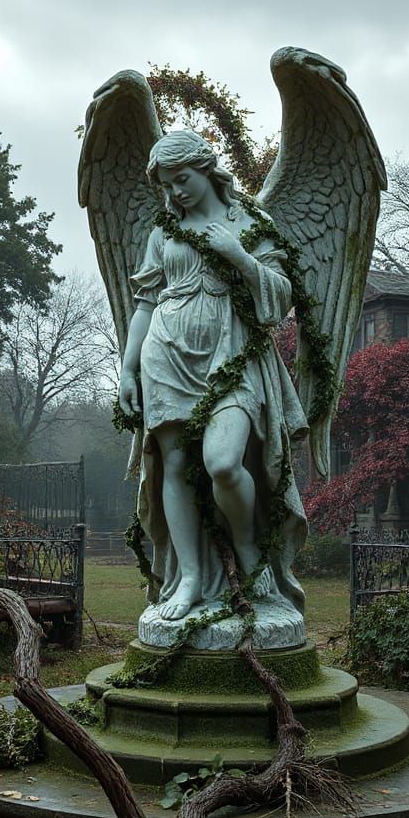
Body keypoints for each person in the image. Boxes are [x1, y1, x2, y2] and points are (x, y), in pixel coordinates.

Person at [118, 129, 307, 621]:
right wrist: (127, 370)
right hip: (167, 355)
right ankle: (191, 581)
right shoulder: (162, 232)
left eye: (182, 180)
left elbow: (283, 297)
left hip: (233, 353)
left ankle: (249, 552)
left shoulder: (249, 220)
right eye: (166, 185)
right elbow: (144, 305)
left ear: (206, 170)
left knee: (223, 462)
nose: (175, 192)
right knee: (176, 467)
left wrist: (239, 257)